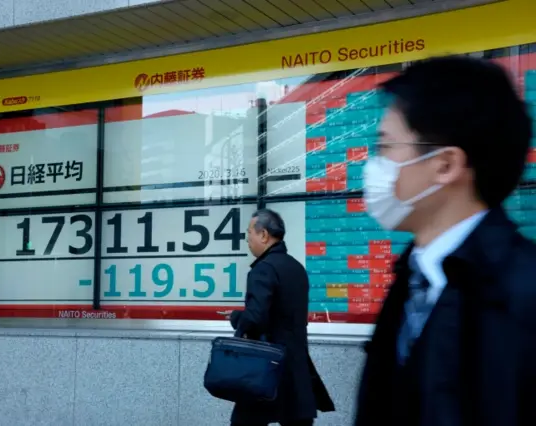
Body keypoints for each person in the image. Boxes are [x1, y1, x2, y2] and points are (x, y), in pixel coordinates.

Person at [355, 56, 536, 426]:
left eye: (386, 147)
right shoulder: (412, 277)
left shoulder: (524, 294)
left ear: (446, 165)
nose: (374, 165)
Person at [227, 209, 334, 426]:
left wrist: (237, 318)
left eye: (250, 232)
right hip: (296, 369)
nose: (247, 238)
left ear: (264, 235)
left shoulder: (263, 269)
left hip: (266, 368)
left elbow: (256, 318)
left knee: (244, 421)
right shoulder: (296, 268)